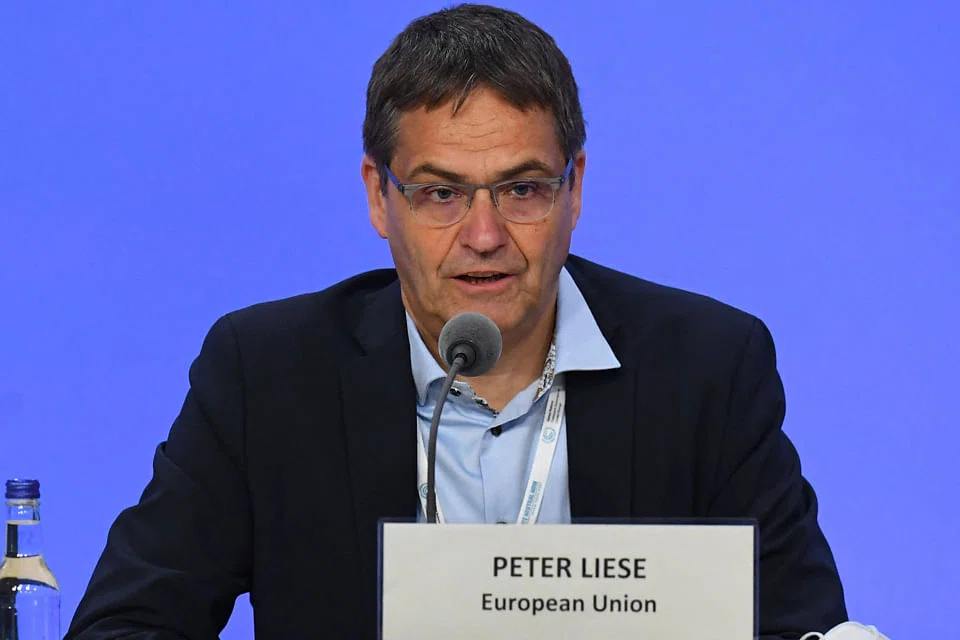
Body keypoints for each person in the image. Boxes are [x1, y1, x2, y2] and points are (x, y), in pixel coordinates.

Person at [65, 4, 847, 638]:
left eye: (523, 189)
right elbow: (126, 626)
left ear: (574, 190)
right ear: (379, 197)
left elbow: (804, 628)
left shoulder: (709, 367)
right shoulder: (266, 375)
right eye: (441, 193)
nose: (484, 234)